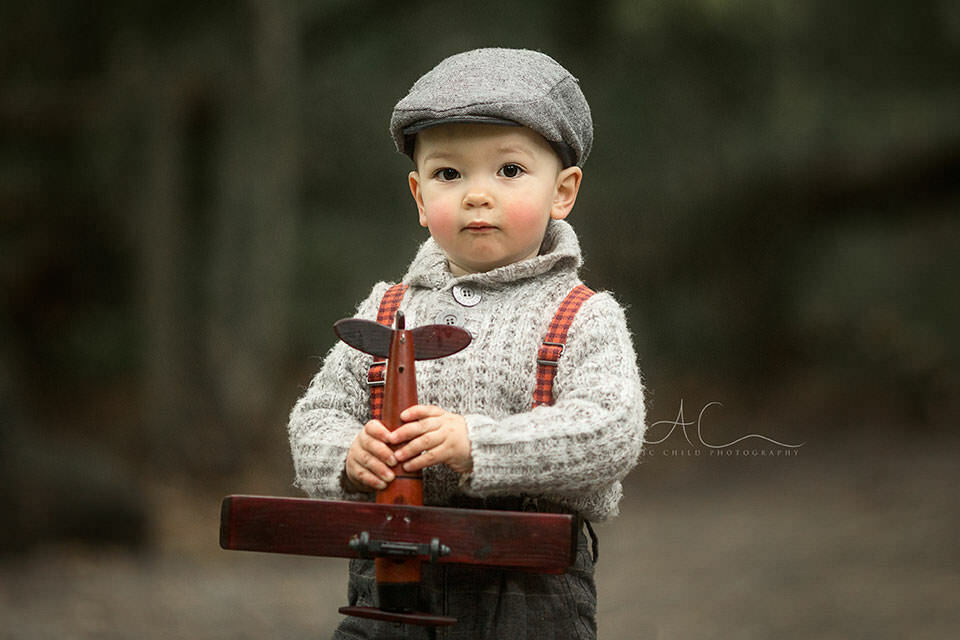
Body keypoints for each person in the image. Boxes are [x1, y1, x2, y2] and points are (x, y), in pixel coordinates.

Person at [288, 47, 645, 639]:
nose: (477, 195)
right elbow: (314, 418)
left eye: (509, 171)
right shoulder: (387, 308)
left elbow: (609, 430)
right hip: (390, 576)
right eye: (449, 174)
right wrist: (348, 456)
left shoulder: (582, 316)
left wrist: (476, 442)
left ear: (563, 191)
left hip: (526, 587)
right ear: (421, 198)